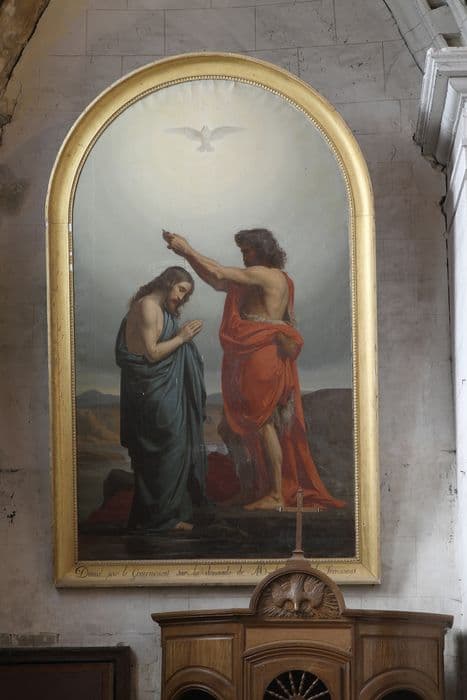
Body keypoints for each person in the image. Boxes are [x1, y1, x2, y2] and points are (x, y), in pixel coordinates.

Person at [163, 229, 345, 511]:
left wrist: (186, 249)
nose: (244, 257)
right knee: (229, 427)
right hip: (253, 354)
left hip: (262, 353)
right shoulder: (267, 279)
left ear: (261, 250)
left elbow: (219, 273)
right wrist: (187, 255)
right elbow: (216, 280)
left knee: (261, 421)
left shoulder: (265, 275)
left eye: (247, 251)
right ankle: (250, 488)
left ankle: (275, 493)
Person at [115, 266, 207, 531]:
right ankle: (161, 519)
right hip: (151, 390)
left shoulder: (159, 309)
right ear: (169, 282)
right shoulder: (147, 306)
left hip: (162, 388)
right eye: (181, 290)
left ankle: (159, 516)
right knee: (168, 447)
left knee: (173, 449)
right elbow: (153, 354)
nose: (181, 297)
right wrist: (182, 337)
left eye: (186, 294)